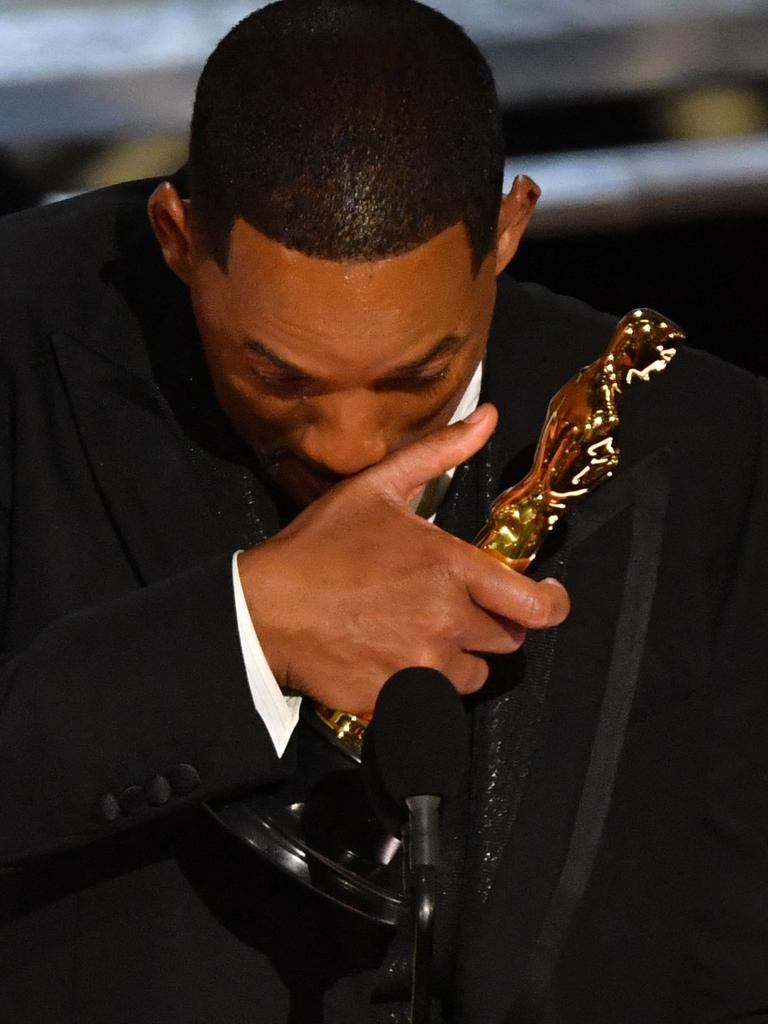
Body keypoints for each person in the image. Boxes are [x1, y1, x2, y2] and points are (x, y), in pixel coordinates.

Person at [0, 1, 766, 1021]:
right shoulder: (19, 339)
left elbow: (735, 948)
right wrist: (245, 633)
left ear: (508, 231)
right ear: (180, 239)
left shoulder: (705, 436)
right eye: (276, 374)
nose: (348, 446)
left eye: (419, 375)